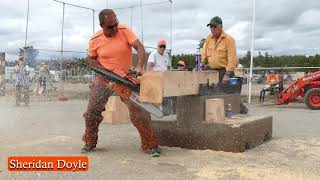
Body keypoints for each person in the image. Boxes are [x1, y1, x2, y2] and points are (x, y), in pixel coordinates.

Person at [82, 9, 161, 157]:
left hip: (124, 77)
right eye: (110, 27)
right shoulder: (95, 39)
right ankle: (90, 142)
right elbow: (91, 59)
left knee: (139, 110)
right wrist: (102, 69)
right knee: (92, 111)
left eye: (115, 24)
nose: (115, 28)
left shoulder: (124, 31)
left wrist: (139, 66)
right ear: (102, 26)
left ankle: (150, 145)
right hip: (104, 78)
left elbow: (140, 47)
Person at [201, 16, 239, 83]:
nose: (212, 29)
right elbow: (203, 55)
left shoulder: (229, 39)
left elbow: (232, 59)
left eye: (214, 26)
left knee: (224, 93)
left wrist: (227, 74)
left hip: (224, 73)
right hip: (212, 72)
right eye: (211, 27)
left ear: (221, 26)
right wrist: (200, 66)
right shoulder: (208, 38)